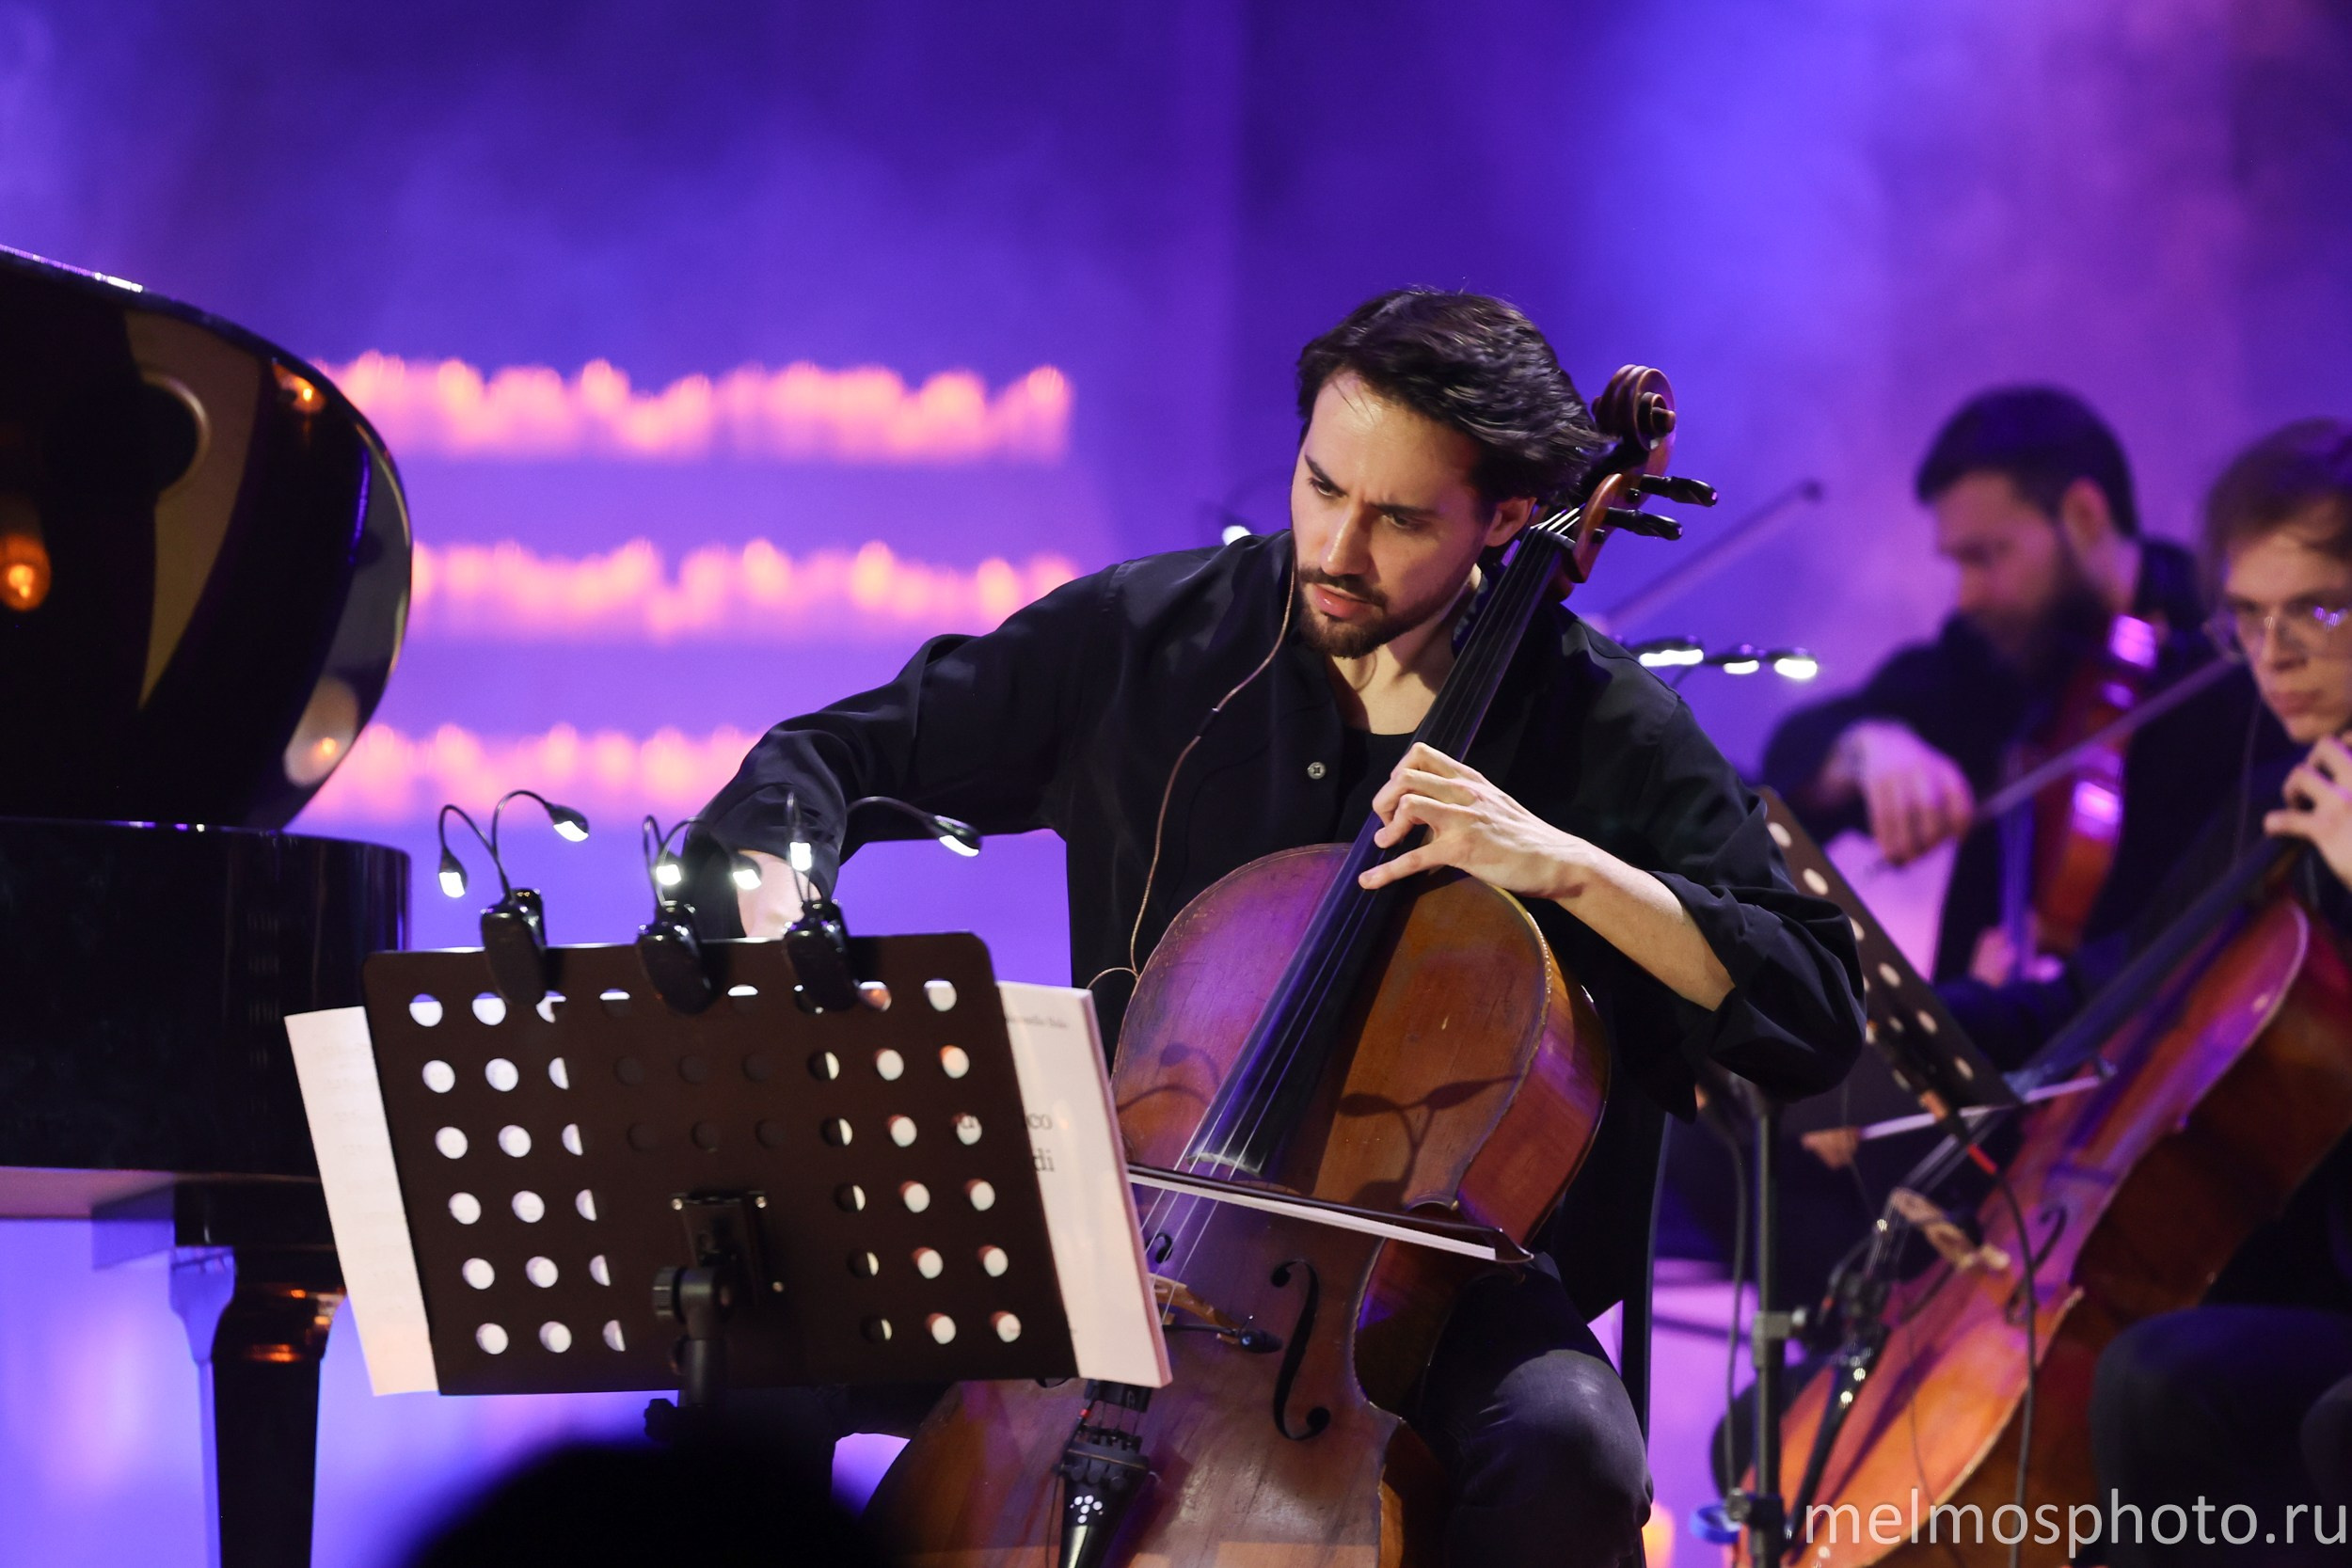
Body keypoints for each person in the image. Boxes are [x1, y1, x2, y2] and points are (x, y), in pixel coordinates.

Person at [691, 289, 1867, 1567]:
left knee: (1569, 1450)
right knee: (765, 1318)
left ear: (1507, 517)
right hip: (1123, 1221)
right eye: (1320, 485)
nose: (1336, 548)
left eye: (1400, 518)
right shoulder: (1150, 639)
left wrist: (1568, 866)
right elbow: (834, 755)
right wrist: (771, 887)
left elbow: (1812, 1001)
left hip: (1418, 1280)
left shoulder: (1605, 728)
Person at [1941, 419, 2352, 1564]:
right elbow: (2110, 993)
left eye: (2317, 611)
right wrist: (1895, 1023)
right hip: (2275, 1267)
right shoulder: (2283, 800)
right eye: (2249, 618)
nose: (2274, 654)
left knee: (2162, 1383)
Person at [1762, 388, 2284, 985]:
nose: (1966, 595)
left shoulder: (2231, 658)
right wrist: (1868, 746)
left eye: (1987, 556)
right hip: (1972, 1032)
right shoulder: (1991, 659)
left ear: (2084, 515)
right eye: (1957, 563)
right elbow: (1801, 747)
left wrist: (2023, 1003)